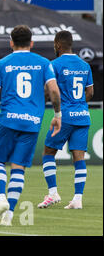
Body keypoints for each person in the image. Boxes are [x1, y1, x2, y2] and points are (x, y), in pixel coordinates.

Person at [0, 25, 61, 226]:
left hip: (8, 120)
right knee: (19, 168)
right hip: (32, 123)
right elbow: (54, 91)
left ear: (11, 43)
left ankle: (1, 198)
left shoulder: (2, 63)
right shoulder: (44, 63)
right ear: (31, 43)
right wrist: (57, 114)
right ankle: (8, 217)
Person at [37, 30, 94, 210]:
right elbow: (90, 92)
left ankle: (53, 193)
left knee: (48, 153)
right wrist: (78, 105)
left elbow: (50, 91)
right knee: (79, 158)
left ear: (58, 45)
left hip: (65, 116)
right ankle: (78, 199)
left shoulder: (53, 65)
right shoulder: (85, 65)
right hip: (83, 116)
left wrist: (61, 110)